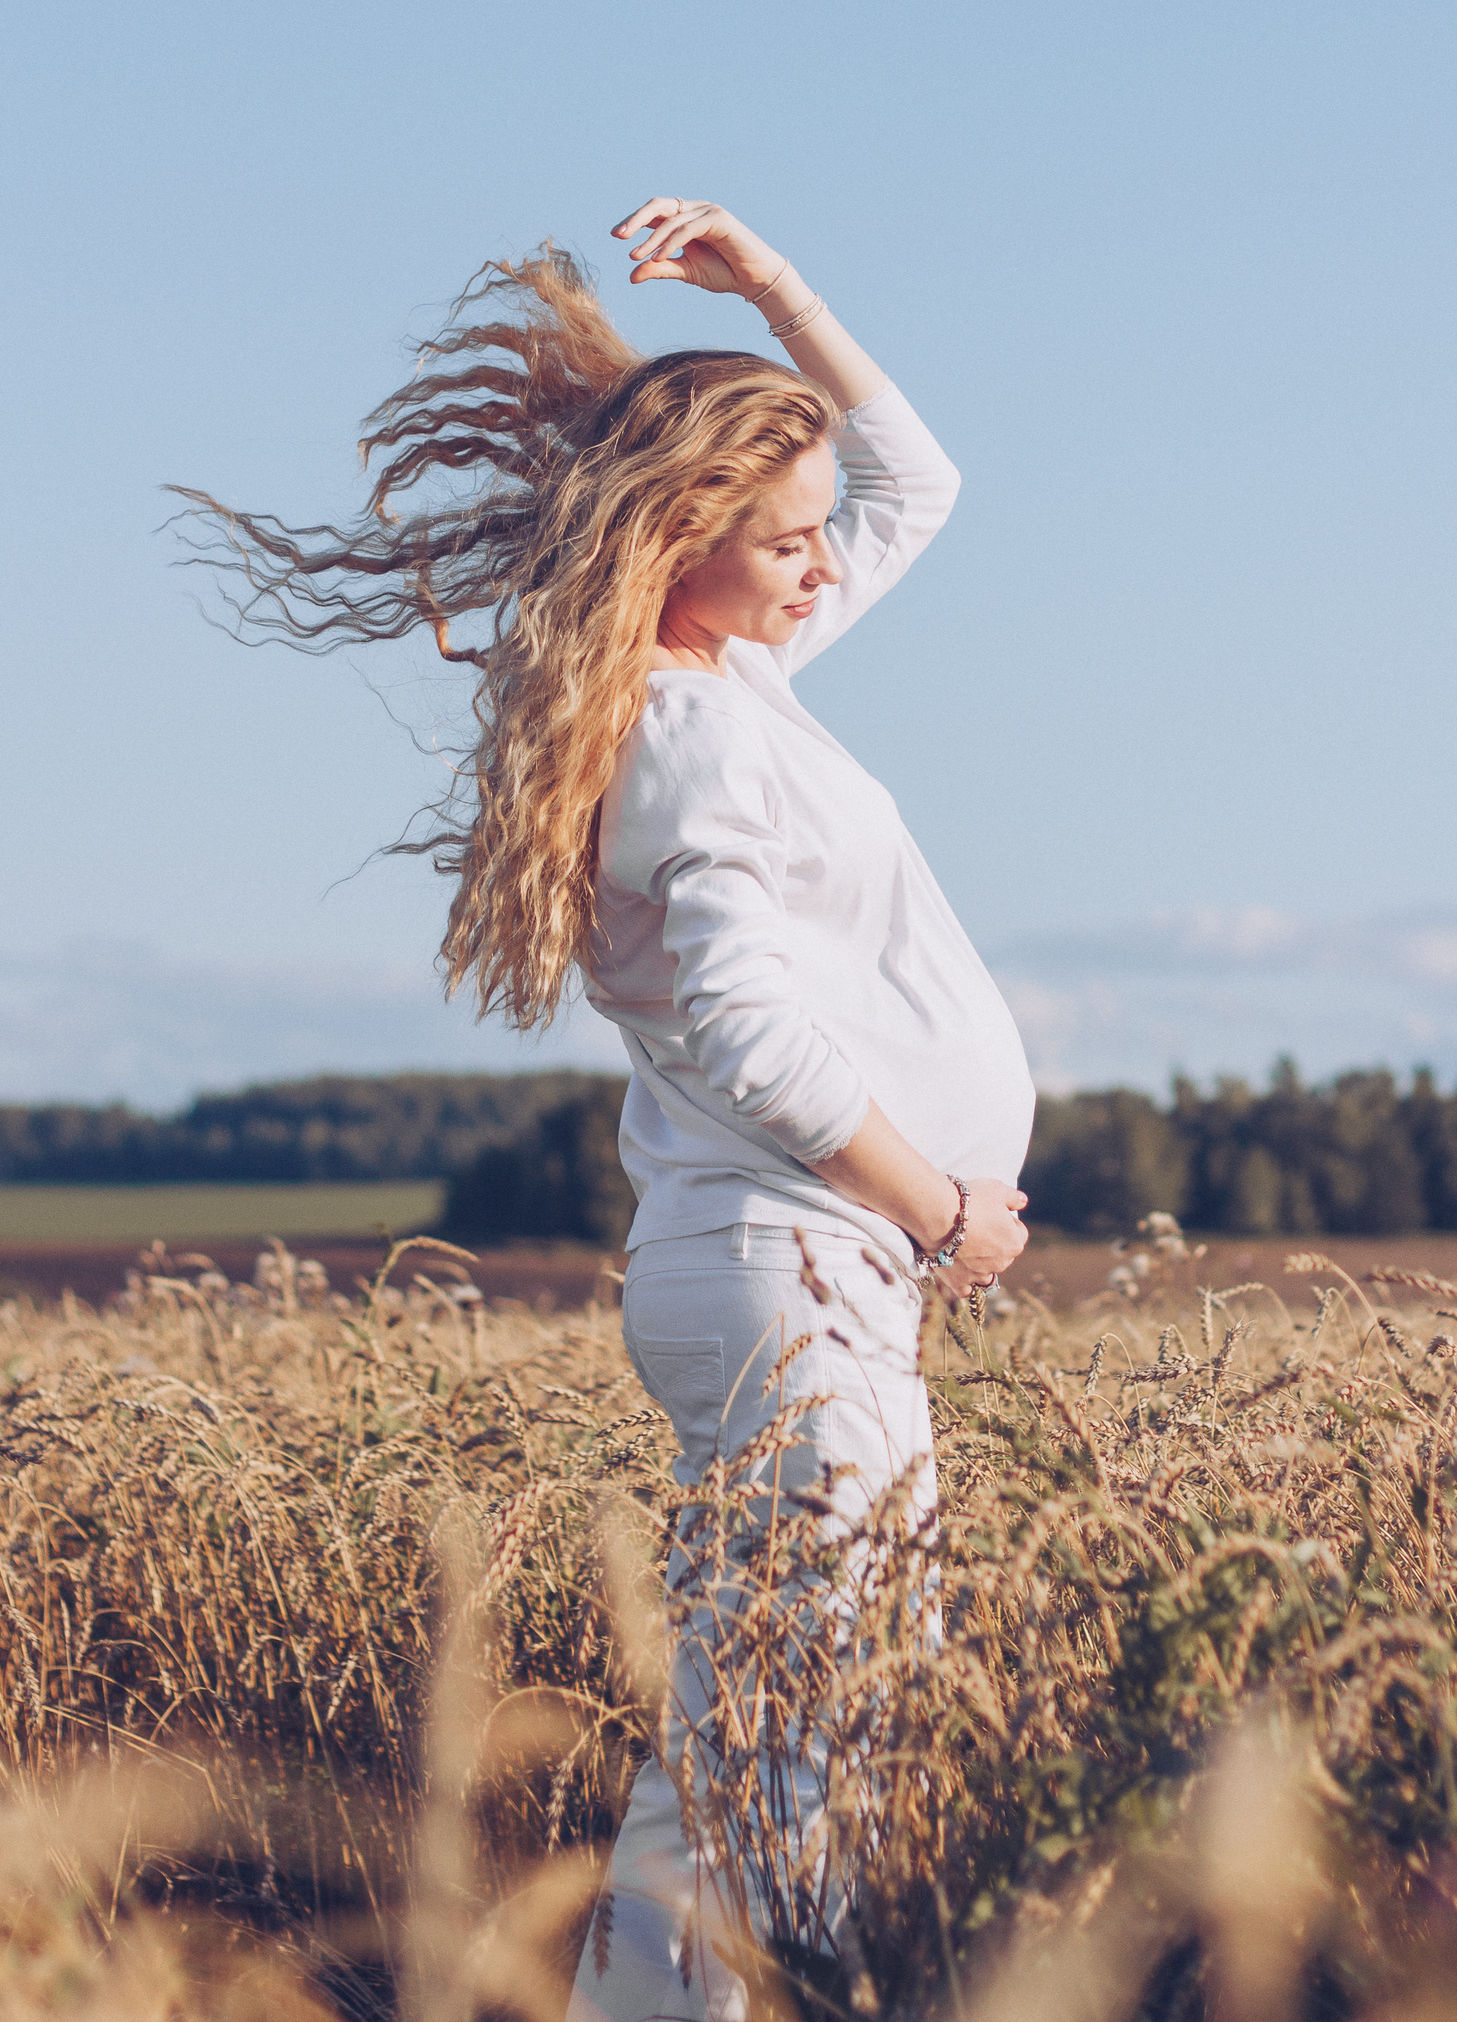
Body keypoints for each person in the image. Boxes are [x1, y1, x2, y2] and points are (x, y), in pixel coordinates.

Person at [174, 196, 1033, 2020]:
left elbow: (917, 485)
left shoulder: (725, 675)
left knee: (763, 1734)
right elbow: (750, 1036)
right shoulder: (698, 725)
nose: (823, 564)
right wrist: (942, 1211)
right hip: (806, 1267)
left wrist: (775, 296)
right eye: (784, 539)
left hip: (784, 1274)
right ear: (684, 539)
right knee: (805, 1742)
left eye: (813, 539)